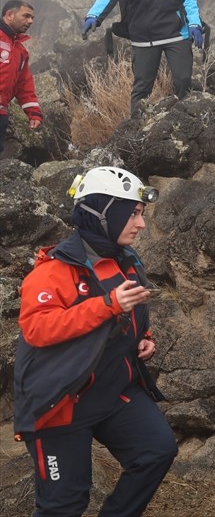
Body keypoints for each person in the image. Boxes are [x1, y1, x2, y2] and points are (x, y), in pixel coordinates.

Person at [14, 165, 178, 517]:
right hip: (61, 403)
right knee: (63, 506)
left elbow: (126, 314)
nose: (141, 224)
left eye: (142, 214)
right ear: (105, 214)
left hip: (113, 391)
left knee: (156, 451)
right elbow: (38, 330)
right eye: (133, 214)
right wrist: (107, 305)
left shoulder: (126, 260)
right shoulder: (52, 271)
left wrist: (142, 337)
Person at [1, 0, 42, 151]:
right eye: (26, 16)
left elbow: (24, 85)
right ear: (9, 15)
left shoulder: (20, 52)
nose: (30, 21)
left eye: (32, 18)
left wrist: (34, 113)